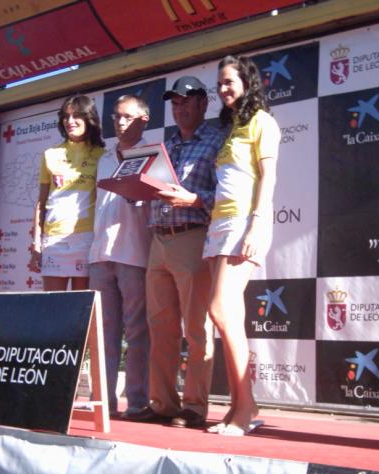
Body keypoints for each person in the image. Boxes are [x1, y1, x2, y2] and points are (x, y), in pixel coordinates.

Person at [124, 77, 225, 428]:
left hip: (193, 236)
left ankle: (194, 406)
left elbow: (231, 196)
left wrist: (194, 199)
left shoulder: (218, 141)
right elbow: (150, 192)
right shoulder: (165, 147)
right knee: (161, 328)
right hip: (158, 239)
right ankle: (163, 403)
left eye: (186, 101)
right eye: (175, 103)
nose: (179, 108)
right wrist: (134, 187)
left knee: (196, 328)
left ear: (203, 104)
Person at [203, 55, 280, 436]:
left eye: (229, 82)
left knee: (220, 309)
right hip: (220, 224)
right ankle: (240, 407)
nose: (223, 89)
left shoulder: (262, 121)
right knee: (228, 316)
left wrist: (257, 224)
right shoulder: (232, 126)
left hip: (244, 223)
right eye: (219, 83)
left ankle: (245, 408)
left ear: (248, 82)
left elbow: (268, 176)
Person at [88, 95, 152, 418]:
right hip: (100, 254)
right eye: (116, 116)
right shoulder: (103, 159)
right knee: (103, 333)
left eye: (127, 116)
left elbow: (158, 202)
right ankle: (103, 401)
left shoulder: (152, 154)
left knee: (138, 331)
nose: (120, 122)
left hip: (134, 252)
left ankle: (138, 402)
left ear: (144, 119)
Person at [29, 94, 105, 290]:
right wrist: (36, 243)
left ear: (89, 118)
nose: (69, 121)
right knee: (54, 305)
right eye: (65, 116)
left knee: (84, 305)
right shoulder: (50, 154)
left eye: (76, 115)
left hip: (88, 238)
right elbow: (42, 202)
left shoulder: (103, 155)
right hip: (54, 239)